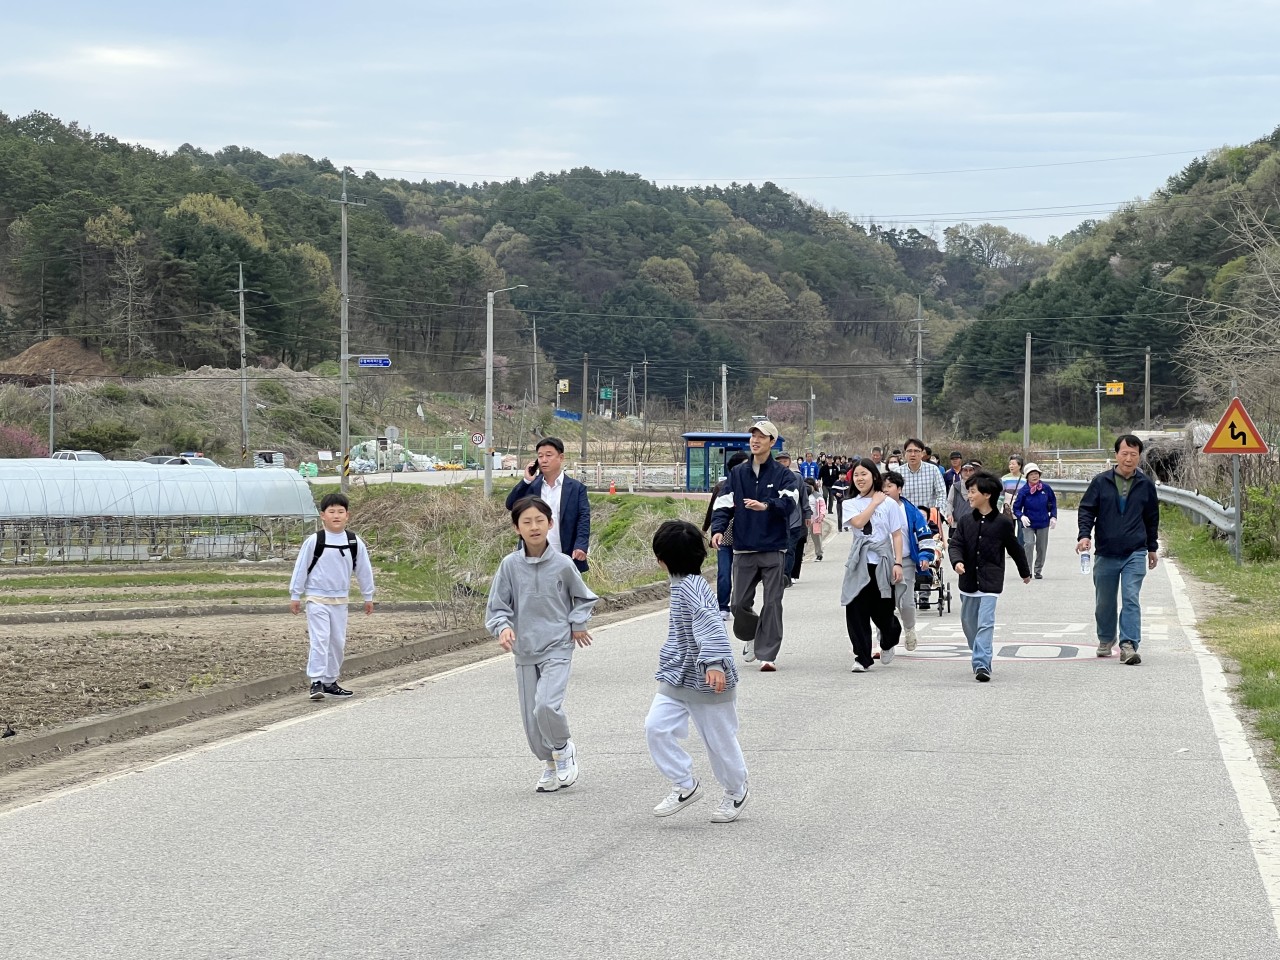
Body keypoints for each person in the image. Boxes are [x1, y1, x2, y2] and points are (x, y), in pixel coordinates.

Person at [485, 497, 599, 792]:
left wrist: (577, 623)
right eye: (526, 522)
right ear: (516, 528)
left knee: (546, 705)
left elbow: (584, 597)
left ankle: (563, 749)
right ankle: (549, 763)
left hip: (557, 645)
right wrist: (503, 628)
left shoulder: (563, 564)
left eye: (539, 520)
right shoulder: (509, 566)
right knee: (531, 719)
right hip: (524, 649)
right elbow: (497, 607)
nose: (534, 527)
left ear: (550, 524)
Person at [645, 520, 750, 823]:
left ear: (661, 560)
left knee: (720, 742)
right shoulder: (680, 584)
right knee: (656, 727)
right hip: (678, 675)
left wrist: (714, 663)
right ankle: (685, 784)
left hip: (709, 680)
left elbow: (710, 623)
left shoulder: (692, 588)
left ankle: (736, 791)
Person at [710, 420, 798, 673]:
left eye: (761, 436)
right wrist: (718, 529)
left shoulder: (783, 475)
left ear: (772, 442)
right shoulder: (738, 473)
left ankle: (767, 654)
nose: (755, 440)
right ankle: (754, 633)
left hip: (773, 547)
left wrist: (767, 506)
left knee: (772, 602)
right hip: (744, 547)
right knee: (737, 604)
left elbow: (789, 502)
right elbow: (723, 503)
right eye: (753, 436)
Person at [1077, 435, 1160, 666]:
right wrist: (1084, 535)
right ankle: (1106, 638)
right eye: (1125, 454)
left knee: (1131, 597)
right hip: (1106, 551)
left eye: (1134, 454)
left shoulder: (1145, 484)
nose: (1129, 459)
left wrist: (1152, 548)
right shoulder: (1101, 482)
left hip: (1135, 550)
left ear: (1139, 457)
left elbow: (1152, 518)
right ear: (1116, 455)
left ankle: (1128, 645)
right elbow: (1087, 510)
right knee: (1104, 601)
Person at [289, 492, 376, 700]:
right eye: (331, 512)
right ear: (323, 515)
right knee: (320, 639)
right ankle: (316, 681)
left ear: (347, 515)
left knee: (337, 641)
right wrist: (295, 594)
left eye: (340, 511)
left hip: (340, 600)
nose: (336, 516)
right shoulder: (315, 541)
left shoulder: (354, 542)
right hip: (316, 599)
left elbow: (364, 570)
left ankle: (330, 681)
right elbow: (301, 568)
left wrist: (368, 596)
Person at [948, 472, 1032, 682]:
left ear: (987, 495)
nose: (969, 495)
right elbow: (955, 544)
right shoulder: (965, 521)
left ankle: (982, 663)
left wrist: (1024, 571)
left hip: (990, 581)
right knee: (969, 624)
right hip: (968, 581)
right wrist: (957, 561)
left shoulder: (1003, 523)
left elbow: (1015, 548)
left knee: (985, 623)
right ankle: (978, 649)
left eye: (972, 491)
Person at [840, 458, 905, 672]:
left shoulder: (890, 504)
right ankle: (862, 657)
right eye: (856, 475)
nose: (859, 478)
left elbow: (896, 535)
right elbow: (858, 523)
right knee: (855, 609)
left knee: (883, 613)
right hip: (859, 562)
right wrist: (874, 503)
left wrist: (898, 563)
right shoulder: (849, 503)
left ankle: (888, 640)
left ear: (874, 476)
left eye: (864, 474)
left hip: (883, 563)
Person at [505, 436, 591, 572]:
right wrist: (526, 481)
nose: (544, 460)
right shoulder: (532, 486)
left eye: (549, 455)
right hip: (533, 556)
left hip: (565, 554)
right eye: (540, 456)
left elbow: (583, 518)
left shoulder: (576, 488)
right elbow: (511, 504)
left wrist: (581, 545)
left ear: (561, 457)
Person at [883, 470, 933, 652]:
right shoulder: (875, 508)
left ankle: (910, 629)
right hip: (882, 562)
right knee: (882, 603)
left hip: (905, 561)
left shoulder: (911, 511)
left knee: (906, 602)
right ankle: (884, 640)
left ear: (899, 489)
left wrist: (925, 556)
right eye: (882, 487)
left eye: (889, 486)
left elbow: (924, 534)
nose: (885, 490)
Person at [702, 450, 750, 619]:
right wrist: (706, 530)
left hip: (744, 535)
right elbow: (713, 510)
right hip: (724, 534)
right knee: (724, 571)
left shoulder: (752, 486)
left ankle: (740, 605)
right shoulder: (722, 487)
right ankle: (723, 606)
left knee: (742, 573)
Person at [1012, 463, 1058, 579]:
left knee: (1041, 547)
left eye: (1036, 473)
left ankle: (1038, 570)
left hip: (1043, 522)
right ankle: (1027, 570)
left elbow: (1053, 502)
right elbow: (1016, 508)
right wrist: (1021, 516)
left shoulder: (1046, 488)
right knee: (1029, 544)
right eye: (1031, 474)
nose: (1034, 476)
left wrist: (1053, 516)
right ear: (1027, 477)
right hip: (1028, 523)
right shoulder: (1024, 491)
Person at [776, 452, 811, 585]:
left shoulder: (797, 478)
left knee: (790, 549)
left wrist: (807, 514)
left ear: (789, 462)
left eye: (784, 461)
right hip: (777, 521)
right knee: (778, 550)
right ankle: (777, 575)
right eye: (779, 461)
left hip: (795, 520)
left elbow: (804, 498)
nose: (782, 463)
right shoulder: (772, 477)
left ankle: (786, 576)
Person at [900, 438, 950, 525]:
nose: (913, 454)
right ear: (905, 453)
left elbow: (941, 493)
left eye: (916, 451)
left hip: (929, 519)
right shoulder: (898, 472)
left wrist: (937, 513)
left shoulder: (933, 470)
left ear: (922, 453)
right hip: (905, 520)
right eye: (909, 451)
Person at [1000, 455, 1029, 548]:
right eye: (1010, 464)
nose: (1011, 466)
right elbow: (1001, 495)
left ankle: (1020, 549)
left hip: (1022, 509)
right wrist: (997, 508)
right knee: (1009, 531)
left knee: (1022, 532)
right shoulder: (1004, 479)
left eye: (1013, 464)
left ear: (1019, 466)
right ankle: (1011, 549)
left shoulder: (1025, 479)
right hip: (1008, 509)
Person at [807, 478, 827, 561]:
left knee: (817, 538)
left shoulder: (817, 495)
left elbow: (822, 506)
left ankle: (819, 554)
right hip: (806, 520)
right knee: (804, 538)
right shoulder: (803, 495)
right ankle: (801, 553)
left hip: (816, 520)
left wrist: (821, 515)